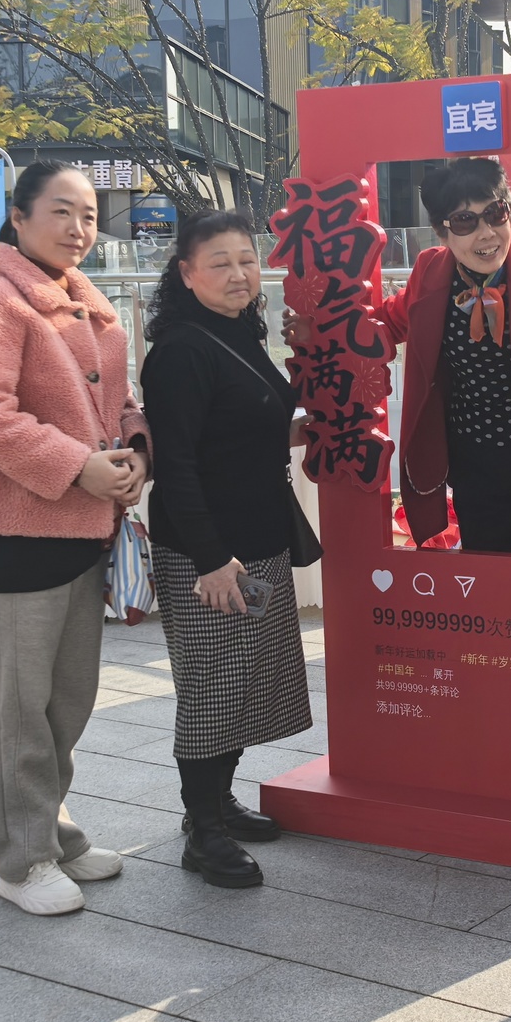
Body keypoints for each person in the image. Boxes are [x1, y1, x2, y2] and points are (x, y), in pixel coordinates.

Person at [0, 159, 150, 916]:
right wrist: (79, 466)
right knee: (19, 706)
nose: (78, 227)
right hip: (15, 530)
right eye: (61, 211)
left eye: (89, 215)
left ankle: (50, 832)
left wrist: (135, 449)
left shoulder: (87, 304)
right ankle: (21, 860)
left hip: (81, 528)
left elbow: (120, 401)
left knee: (66, 701)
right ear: (19, 217)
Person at [290, 157, 511, 552]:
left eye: (496, 214)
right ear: (442, 231)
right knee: (489, 572)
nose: (487, 234)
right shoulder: (431, 272)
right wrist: (317, 331)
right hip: (476, 462)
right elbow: (385, 326)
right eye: (465, 221)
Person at [142, 211, 312, 889]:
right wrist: (211, 561)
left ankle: (218, 802)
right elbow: (177, 466)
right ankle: (203, 831)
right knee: (212, 688)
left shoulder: (239, 330)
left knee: (244, 680)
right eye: (220, 262)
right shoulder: (180, 351)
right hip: (210, 555)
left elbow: (246, 423)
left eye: (247, 259)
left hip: (256, 541)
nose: (240, 273)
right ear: (187, 274)